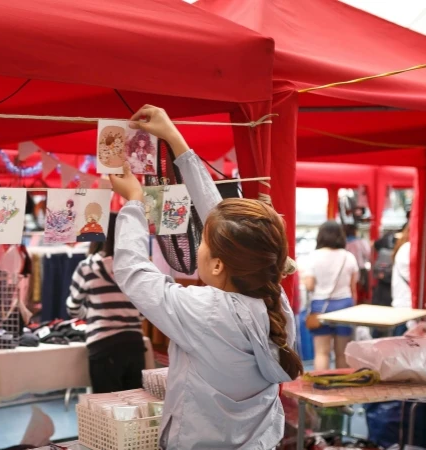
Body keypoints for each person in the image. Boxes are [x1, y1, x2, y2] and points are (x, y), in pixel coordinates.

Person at [109, 105, 301, 449]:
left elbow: (133, 271)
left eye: (203, 242)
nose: (197, 245)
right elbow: (221, 219)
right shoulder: (275, 302)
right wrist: (175, 141)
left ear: (217, 265)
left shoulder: (204, 310)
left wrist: (135, 203)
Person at [66, 213, 145, 393]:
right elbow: (144, 310)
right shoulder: (136, 267)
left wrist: (93, 313)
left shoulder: (87, 267)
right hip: (134, 343)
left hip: (103, 345)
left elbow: (73, 308)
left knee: (107, 412)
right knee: (133, 409)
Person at [301, 221, 359, 371]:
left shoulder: (313, 256)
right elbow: (353, 287)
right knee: (342, 353)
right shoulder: (348, 257)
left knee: (322, 352)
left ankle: (322, 387)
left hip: (320, 305)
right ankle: (342, 387)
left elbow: (309, 285)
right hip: (344, 306)